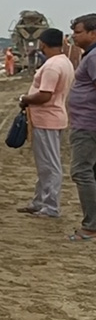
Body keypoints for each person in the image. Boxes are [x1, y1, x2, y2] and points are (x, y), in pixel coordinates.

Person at [16, 28, 74, 220]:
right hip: (53, 117)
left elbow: (44, 95)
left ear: (42, 43)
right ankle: (40, 201)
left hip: (47, 118)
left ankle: (50, 206)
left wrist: (25, 98)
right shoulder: (64, 62)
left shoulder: (51, 66)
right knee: (45, 163)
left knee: (50, 164)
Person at [67, 14, 96, 240]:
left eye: (78, 32)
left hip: (88, 126)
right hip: (86, 123)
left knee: (82, 172)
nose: (74, 36)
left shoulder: (94, 57)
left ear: (93, 33)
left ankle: (91, 227)